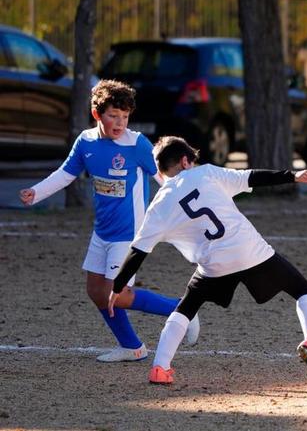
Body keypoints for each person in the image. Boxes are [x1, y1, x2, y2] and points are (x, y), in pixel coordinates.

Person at [108, 136, 307, 389]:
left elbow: (138, 252)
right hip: (250, 250)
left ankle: (160, 367)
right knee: (303, 291)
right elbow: (252, 176)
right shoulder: (207, 173)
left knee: (186, 307)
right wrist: (293, 175)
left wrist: (117, 287)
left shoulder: (158, 205)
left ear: (160, 170)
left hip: (214, 265)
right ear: (185, 161)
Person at [19, 80, 198, 362]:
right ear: (97, 114)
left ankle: (181, 308)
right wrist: (36, 192)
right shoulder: (86, 142)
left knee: (117, 294)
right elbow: (66, 174)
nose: (120, 123)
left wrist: (190, 205)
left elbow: (163, 179)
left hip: (129, 233)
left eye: (125, 117)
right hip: (102, 231)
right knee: (95, 291)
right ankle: (132, 347)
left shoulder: (136, 143)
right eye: (114, 115)